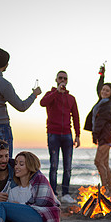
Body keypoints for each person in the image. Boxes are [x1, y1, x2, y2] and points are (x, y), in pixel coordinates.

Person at [40, 71, 80, 204]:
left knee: (68, 167)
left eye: (65, 78)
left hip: (68, 135)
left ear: (67, 81)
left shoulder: (71, 98)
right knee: (54, 165)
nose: (63, 80)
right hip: (53, 134)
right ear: (56, 80)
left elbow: (75, 117)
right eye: (60, 78)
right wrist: (56, 92)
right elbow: (42, 103)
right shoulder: (51, 95)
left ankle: (66, 193)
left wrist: (78, 135)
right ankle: (53, 194)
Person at [84, 64, 111, 197]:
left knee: (98, 162)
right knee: (104, 162)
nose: (104, 91)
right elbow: (99, 87)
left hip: (105, 136)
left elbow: (99, 123)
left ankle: (105, 189)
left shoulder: (106, 105)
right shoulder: (102, 101)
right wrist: (101, 76)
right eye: (103, 90)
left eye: (107, 91)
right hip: (107, 136)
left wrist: (94, 135)